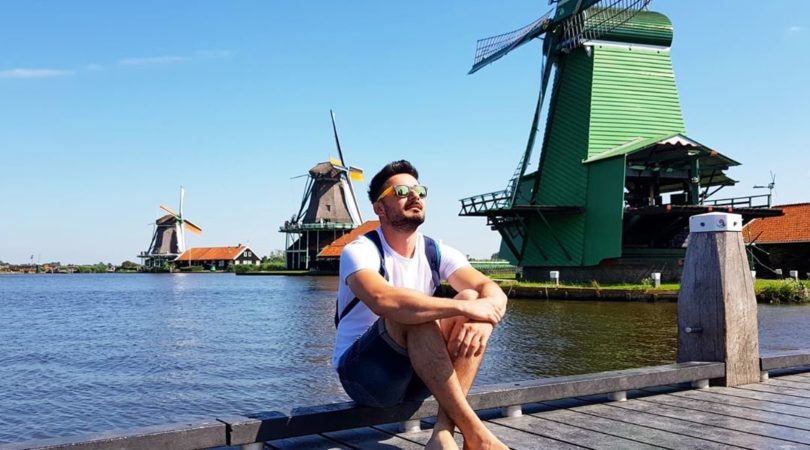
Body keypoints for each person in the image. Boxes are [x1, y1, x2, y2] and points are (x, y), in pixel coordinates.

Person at [333, 160, 509, 450]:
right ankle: (478, 435)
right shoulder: (361, 251)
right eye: (402, 191)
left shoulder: (436, 251)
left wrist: (485, 320)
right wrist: (466, 309)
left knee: (469, 297)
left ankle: (443, 433)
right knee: (414, 313)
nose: (415, 196)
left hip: (423, 374)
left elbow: (491, 290)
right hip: (366, 378)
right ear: (379, 208)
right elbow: (383, 300)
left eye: (420, 191)